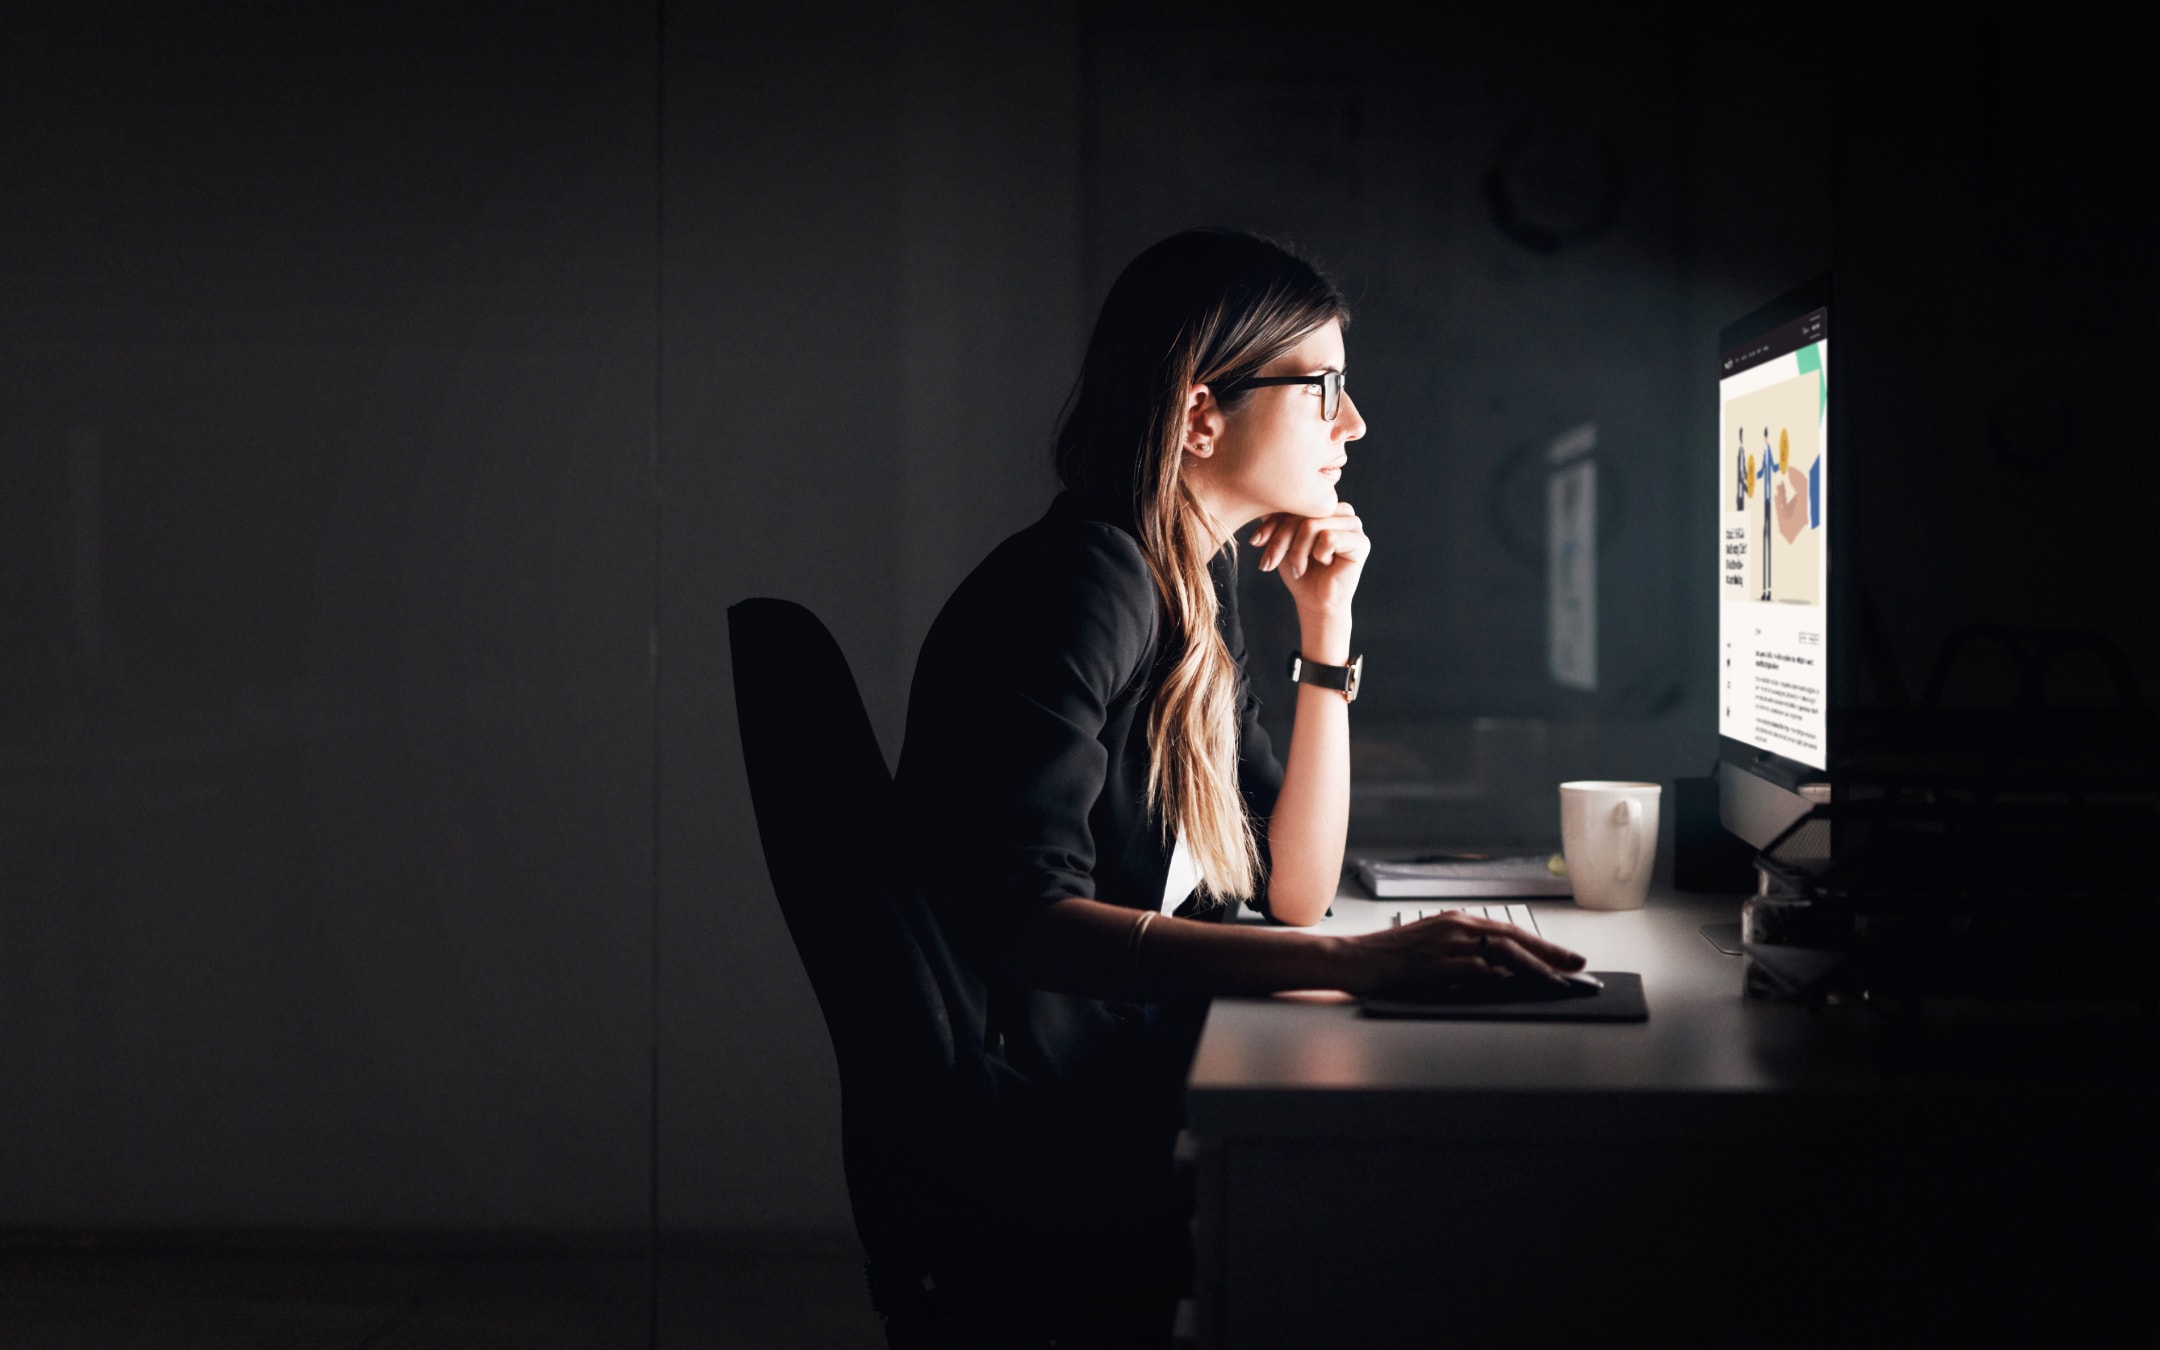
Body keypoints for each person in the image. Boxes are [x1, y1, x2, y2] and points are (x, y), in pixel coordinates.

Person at [888, 230, 1585, 1348]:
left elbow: (1295, 884)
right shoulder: (1089, 583)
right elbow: (1030, 923)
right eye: (1326, 391)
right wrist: (1353, 964)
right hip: (1054, 1146)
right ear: (1201, 413)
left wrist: (1327, 633)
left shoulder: (1182, 587)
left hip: (1103, 1101)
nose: (1353, 426)